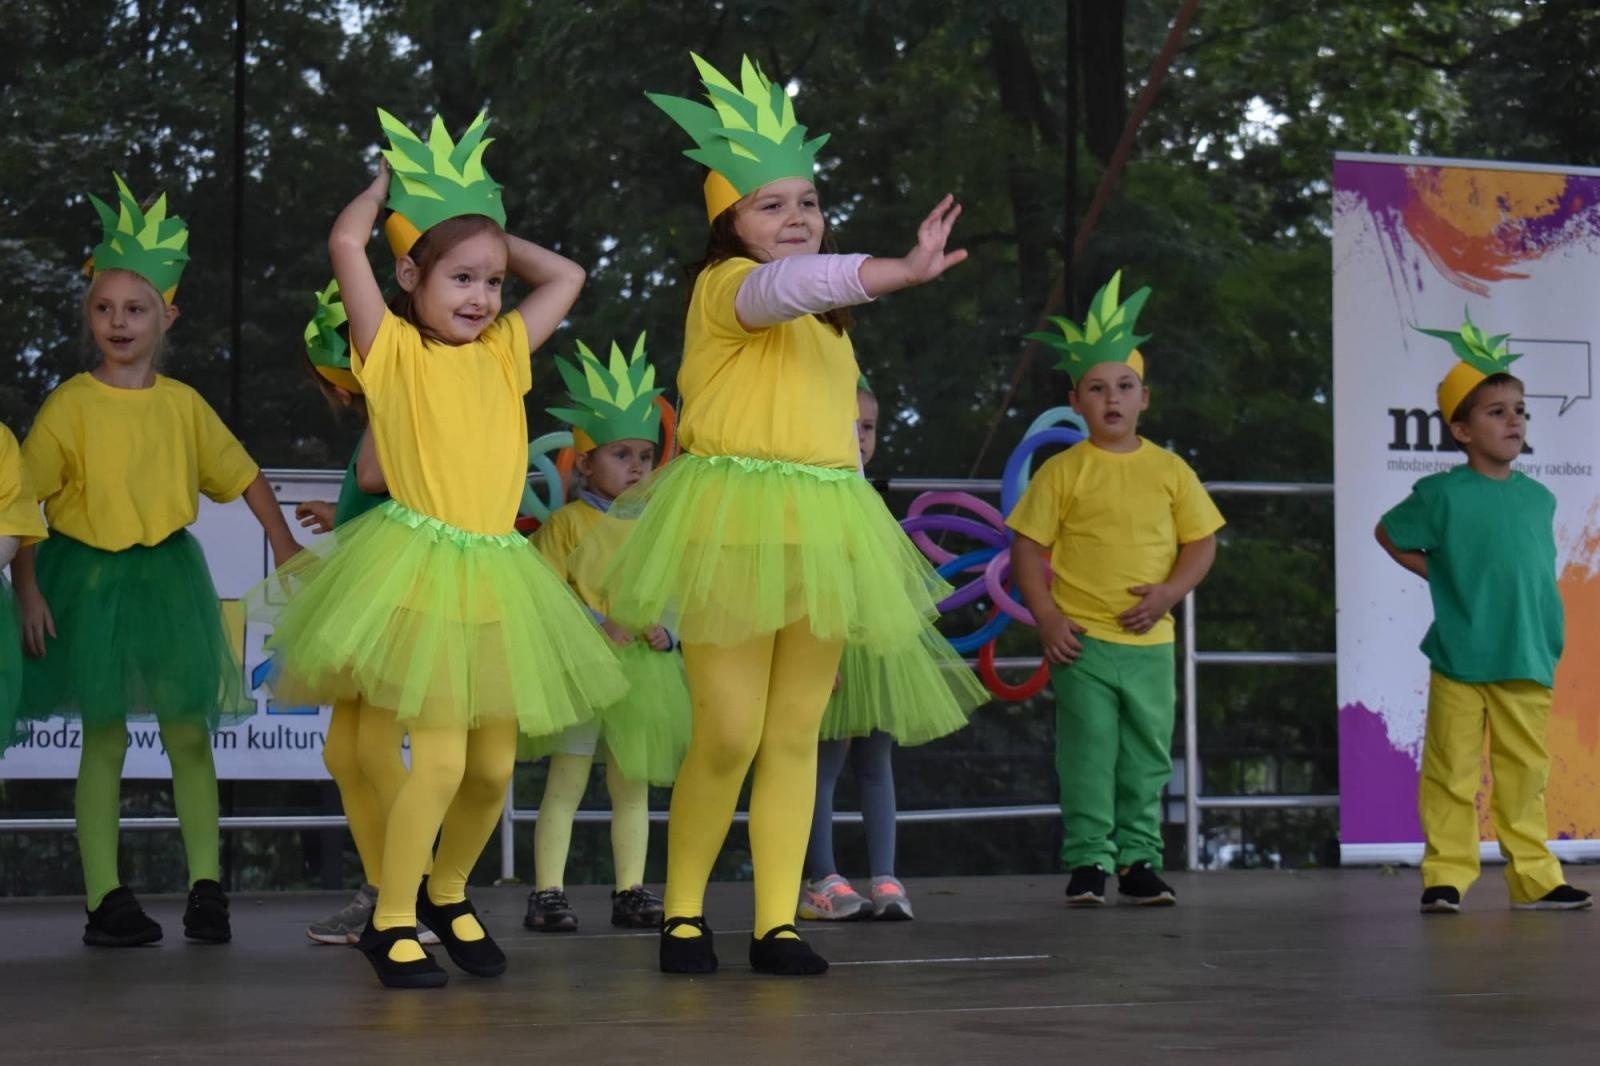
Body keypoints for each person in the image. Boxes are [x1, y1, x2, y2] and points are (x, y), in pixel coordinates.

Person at [579, 53, 973, 976]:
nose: (796, 217)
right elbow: (789, 286)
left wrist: (867, 283)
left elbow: (818, 311)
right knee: (728, 728)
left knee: (797, 731)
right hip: (732, 525)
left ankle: (775, 923)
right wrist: (900, 271)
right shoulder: (729, 290)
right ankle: (683, 915)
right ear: (729, 225)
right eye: (771, 205)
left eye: (808, 201)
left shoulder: (830, 323)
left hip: (827, 528)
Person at [260, 109, 625, 988]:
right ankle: (392, 920)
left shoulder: (503, 353)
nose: (481, 296)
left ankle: (448, 893)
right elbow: (346, 242)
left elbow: (568, 273)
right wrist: (389, 198)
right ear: (411, 276)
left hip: (500, 569)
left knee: (496, 765)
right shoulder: (391, 353)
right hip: (422, 565)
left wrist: (486, 229)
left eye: (493, 281)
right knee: (447, 756)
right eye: (460, 277)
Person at [6, 175, 302, 945]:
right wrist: (27, 586)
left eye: (135, 309)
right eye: (103, 308)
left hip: (168, 580)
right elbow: (20, 500)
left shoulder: (183, 406)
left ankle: (208, 888)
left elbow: (242, 475)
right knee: (101, 737)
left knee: (189, 732)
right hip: (88, 582)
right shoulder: (70, 403)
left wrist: (284, 540)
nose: (118, 321)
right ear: (87, 316)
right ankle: (106, 900)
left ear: (167, 316)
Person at [1009, 271, 1223, 908]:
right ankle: (1088, 862)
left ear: (1144, 398)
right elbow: (1027, 546)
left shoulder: (1170, 469)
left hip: (1150, 641)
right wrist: (1045, 616)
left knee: (1147, 757)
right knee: (1087, 754)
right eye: (1097, 389)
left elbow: (1202, 542)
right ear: (1075, 401)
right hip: (1082, 641)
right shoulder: (1062, 470)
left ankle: (1139, 860)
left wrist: (1168, 594)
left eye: (1124, 387)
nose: (1112, 400)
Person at [1376, 311, 1591, 914]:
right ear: (1462, 430)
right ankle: (1445, 875)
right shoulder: (1440, 495)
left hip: (1526, 652)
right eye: (1496, 412)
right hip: (1461, 655)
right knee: (1451, 770)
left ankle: (1537, 877)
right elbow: (1388, 533)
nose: (1513, 420)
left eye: (1519, 410)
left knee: (1525, 772)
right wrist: (1441, 576)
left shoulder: (1539, 497)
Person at [800, 376, 985, 922]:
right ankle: (822, 878)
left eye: (868, 427)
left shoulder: (870, 500)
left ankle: (885, 876)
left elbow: (890, 581)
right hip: (832, 648)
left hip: (878, 648)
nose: (858, 438)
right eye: (847, 426)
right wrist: (818, 652)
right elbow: (812, 580)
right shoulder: (813, 499)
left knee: (877, 761)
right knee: (824, 763)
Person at [524, 335, 691, 934]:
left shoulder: (656, 527)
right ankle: (547, 892)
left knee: (632, 785)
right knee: (567, 780)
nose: (638, 467)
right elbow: (543, 591)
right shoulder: (569, 523)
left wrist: (668, 629)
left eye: (645, 455)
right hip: (583, 668)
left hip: (643, 676)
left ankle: (631, 890)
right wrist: (598, 624)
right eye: (621, 454)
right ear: (586, 462)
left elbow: (677, 587)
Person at [292, 280, 437, 947]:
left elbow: (386, 478)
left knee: (376, 747)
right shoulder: (385, 410)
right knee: (343, 751)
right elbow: (371, 487)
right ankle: (383, 887)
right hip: (369, 589)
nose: (341, 397)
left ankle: (415, 894)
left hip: (398, 597)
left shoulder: (403, 400)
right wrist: (338, 515)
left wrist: (383, 387)